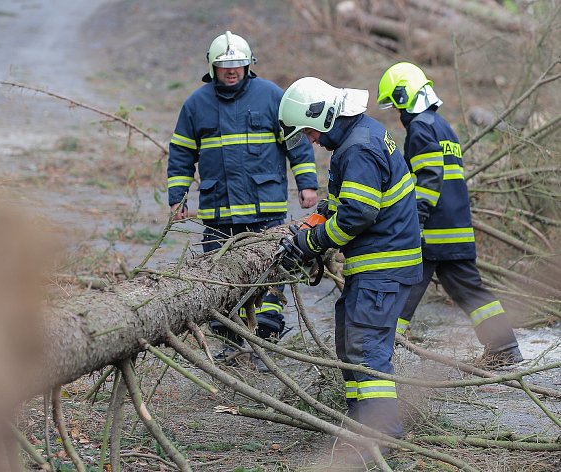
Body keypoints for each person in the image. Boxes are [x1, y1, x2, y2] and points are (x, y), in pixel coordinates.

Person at [278, 77, 423, 440]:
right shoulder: (361, 134)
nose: (310, 140)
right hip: (380, 266)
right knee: (351, 343)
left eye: (309, 132)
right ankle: (361, 423)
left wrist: (311, 242)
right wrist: (321, 215)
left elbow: (358, 214)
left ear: (324, 116)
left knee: (366, 351)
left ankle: (382, 437)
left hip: (382, 267)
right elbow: (350, 199)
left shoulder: (357, 147)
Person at [167, 31, 319, 360]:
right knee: (217, 281)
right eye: (225, 65)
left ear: (250, 65)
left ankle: (267, 340)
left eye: (238, 64)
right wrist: (177, 197)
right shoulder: (196, 104)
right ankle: (230, 344)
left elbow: (296, 143)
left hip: (267, 213)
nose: (232, 70)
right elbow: (181, 154)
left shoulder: (271, 96)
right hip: (220, 214)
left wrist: (307, 183)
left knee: (271, 275)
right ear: (212, 67)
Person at [376, 62, 523, 367]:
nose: (396, 112)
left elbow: (428, 178)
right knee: (472, 292)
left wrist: (413, 220)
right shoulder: (443, 126)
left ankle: (380, 351)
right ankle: (505, 347)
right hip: (455, 227)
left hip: (431, 231)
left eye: (394, 104)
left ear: (404, 96)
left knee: (403, 284)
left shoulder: (419, 128)